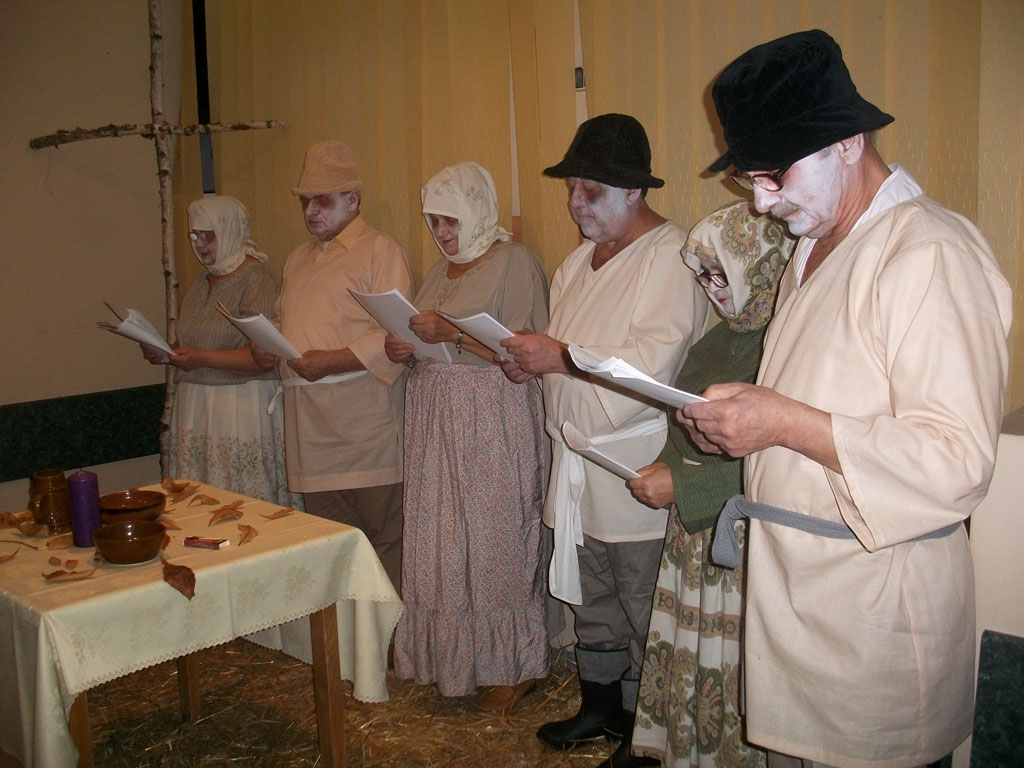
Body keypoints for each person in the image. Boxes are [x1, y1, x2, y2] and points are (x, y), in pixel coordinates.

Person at [679, 30, 1012, 768]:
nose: (762, 204)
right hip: (798, 600)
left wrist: (782, 421)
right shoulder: (814, 246)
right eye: (752, 181)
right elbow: (823, 394)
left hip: (875, 611)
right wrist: (743, 423)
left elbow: (955, 462)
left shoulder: (929, 251)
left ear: (847, 143)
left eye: (775, 176)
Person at [501, 113, 709, 768]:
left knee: (641, 601)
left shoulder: (671, 258)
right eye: (571, 189)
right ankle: (601, 707)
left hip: (634, 465)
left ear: (632, 190)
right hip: (576, 462)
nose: (575, 203)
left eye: (589, 191)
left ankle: (647, 735)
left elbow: (652, 367)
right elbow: (566, 354)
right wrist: (534, 365)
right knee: (593, 598)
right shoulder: (575, 265)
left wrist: (558, 358)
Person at [626, 200, 795, 768]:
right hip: (692, 537)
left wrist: (682, 485)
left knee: (730, 660)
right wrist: (660, 466)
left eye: (722, 274)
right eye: (703, 275)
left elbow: (780, 457)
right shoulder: (718, 340)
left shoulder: (784, 345)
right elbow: (683, 421)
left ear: (760, 267)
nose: (712, 290)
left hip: (738, 538)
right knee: (694, 656)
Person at [387, 161, 551, 710]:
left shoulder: (514, 262)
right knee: (443, 540)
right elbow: (426, 339)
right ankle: (451, 660)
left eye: (450, 220)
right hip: (436, 420)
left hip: (492, 415)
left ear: (478, 210)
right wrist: (404, 346)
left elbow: (526, 351)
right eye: (434, 221)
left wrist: (452, 333)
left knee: (495, 537)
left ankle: (513, 665)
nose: (441, 232)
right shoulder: (440, 271)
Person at [251, 141, 414, 594]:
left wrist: (333, 360)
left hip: (365, 424)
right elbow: (285, 323)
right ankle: (345, 629)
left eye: (322, 200)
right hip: (309, 428)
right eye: (305, 201)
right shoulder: (297, 259)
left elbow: (397, 332)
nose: (311, 212)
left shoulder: (380, 250)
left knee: (384, 537)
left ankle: (391, 633)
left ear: (353, 199)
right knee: (333, 541)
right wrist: (268, 348)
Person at [141, 195, 299, 507]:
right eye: (194, 236)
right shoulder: (201, 282)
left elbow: (266, 359)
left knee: (241, 502)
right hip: (196, 409)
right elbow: (201, 341)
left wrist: (201, 358)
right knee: (201, 501)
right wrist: (167, 352)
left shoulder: (258, 279)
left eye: (208, 235)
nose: (199, 244)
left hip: (240, 409)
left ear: (230, 231)